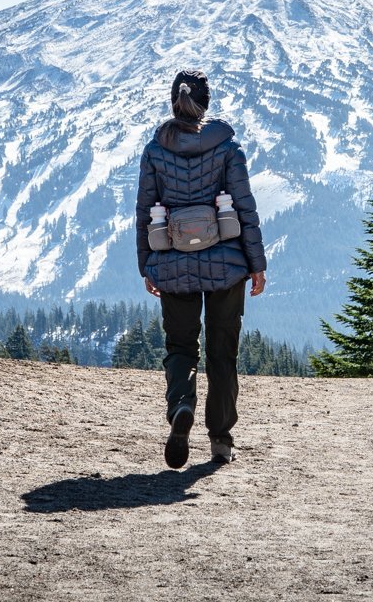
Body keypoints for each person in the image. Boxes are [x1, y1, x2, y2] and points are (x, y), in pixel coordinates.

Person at [135, 69, 266, 468]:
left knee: (180, 347)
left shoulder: (155, 151)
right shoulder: (228, 148)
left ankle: (181, 406)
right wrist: (256, 264)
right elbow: (244, 207)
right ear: (205, 102)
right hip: (226, 264)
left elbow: (144, 211)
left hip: (173, 264)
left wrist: (147, 265)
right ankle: (221, 440)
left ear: (173, 101)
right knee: (222, 352)